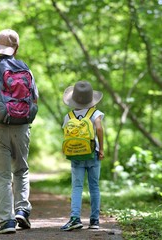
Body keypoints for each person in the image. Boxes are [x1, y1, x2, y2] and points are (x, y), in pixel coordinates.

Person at [0, 29, 39, 234]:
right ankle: (22, 210)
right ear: (16, 48)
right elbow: (34, 99)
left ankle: (7, 221)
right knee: (21, 169)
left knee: (2, 175)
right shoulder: (27, 70)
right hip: (21, 126)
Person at [61, 81, 105, 231]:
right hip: (93, 154)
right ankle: (94, 221)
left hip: (76, 155)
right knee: (94, 187)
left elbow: (66, 135)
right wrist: (102, 149)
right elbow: (99, 128)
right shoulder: (95, 114)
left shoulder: (69, 116)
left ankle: (75, 218)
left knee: (77, 187)